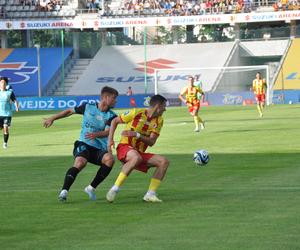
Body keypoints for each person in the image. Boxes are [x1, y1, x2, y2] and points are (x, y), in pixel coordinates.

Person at [43, 86, 119, 202]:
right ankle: (64, 191)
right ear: (105, 97)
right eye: (114, 98)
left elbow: (108, 132)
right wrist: (53, 118)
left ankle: (91, 188)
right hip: (83, 143)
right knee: (80, 162)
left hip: (98, 148)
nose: (115, 101)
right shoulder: (88, 107)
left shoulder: (112, 116)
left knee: (110, 160)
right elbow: (69, 111)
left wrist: (96, 134)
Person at [106, 94, 169, 203]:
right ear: (158, 106)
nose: (165, 109)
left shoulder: (159, 120)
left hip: (138, 152)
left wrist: (137, 135)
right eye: (164, 106)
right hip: (124, 147)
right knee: (136, 157)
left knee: (163, 162)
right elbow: (114, 121)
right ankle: (114, 188)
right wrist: (110, 140)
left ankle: (150, 194)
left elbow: (152, 142)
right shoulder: (137, 112)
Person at [0, 76, 19, 149]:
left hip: (7, 114)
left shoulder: (9, 92)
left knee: (6, 129)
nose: (2, 84)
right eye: (1, 83)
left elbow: (15, 100)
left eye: (4, 83)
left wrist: (17, 107)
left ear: (6, 84)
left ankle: (5, 143)